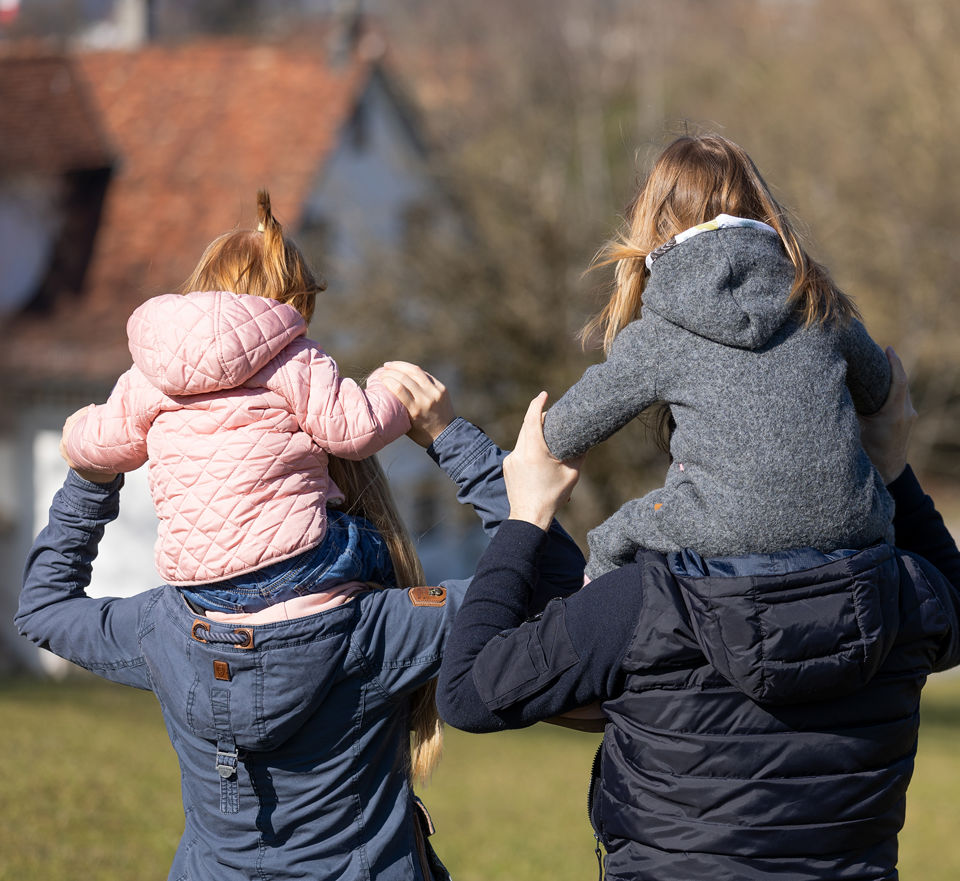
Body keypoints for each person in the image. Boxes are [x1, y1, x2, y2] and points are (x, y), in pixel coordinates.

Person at [17, 362, 585, 880]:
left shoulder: (161, 631)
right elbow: (553, 583)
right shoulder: (382, 631)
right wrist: (450, 437)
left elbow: (43, 608)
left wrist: (91, 475)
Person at [437, 349, 960, 881]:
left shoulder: (638, 603)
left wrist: (526, 516)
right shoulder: (905, 594)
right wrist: (893, 470)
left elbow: (468, 694)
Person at [543, 134, 894, 579]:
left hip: (721, 533)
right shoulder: (815, 300)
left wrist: (533, 435)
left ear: (655, 220)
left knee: (612, 540)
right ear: (762, 206)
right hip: (858, 523)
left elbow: (562, 434)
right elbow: (881, 389)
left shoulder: (662, 331)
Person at [61, 191, 411, 613]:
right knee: (376, 545)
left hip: (199, 584)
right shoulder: (295, 358)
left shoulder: (151, 371)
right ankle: (383, 637)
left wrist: (75, 431)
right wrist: (393, 392)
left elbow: (106, 445)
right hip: (298, 562)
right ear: (293, 301)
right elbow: (355, 431)